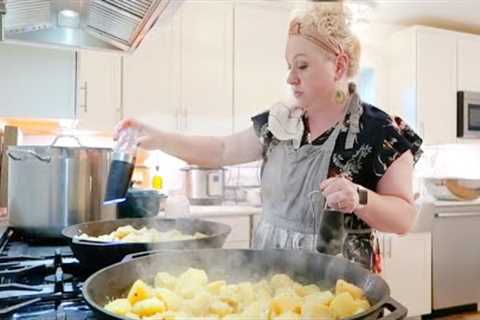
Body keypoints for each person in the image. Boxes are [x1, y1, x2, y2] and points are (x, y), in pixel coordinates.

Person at [114, 2, 422, 272]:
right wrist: (158, 138)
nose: (290, 77)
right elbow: (221, 150)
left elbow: (405, 217)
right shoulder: (280, 123)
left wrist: (359, 197)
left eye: (302, 65)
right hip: (270, 274)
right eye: (289, 66)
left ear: (338, 66)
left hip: (340, 287)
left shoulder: (379, 132)